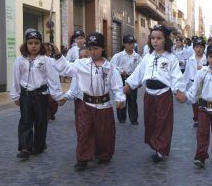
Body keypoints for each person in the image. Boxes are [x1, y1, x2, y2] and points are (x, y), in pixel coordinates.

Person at [52, 32, 126, 171]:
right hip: (86, 104)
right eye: (90, 49)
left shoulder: (110, 68)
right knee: (84, 131)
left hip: (104, 105)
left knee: (104, 132)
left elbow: (117, 86)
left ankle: (104, 154)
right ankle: (83, 158)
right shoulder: (81, 64)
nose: (92, 52)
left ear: (102, 48)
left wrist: (120, 99)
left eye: (96, 48)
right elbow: (66, 68)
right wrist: (57, 55)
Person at [124, 24, 186, 163]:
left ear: (165, 40)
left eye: (159, 38)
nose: (155, 41)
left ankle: (160, 149)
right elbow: (138, 72)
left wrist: (179, 91)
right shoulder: (147, 57)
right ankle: (155, 144)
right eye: (153, 38)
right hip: (149, 94)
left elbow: (177, 76)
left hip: (163, 94)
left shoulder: (171, 58)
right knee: (150, 121)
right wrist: (129, 84)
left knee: (163, 122)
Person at [10, 29, 64, 159]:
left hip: (41, 95)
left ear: (41, 45)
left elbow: (52, 79)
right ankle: (25, 148)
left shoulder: (46, 61)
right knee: (25, 121)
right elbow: (16, 78)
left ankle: (39, 146)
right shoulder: (19, 60)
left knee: (40, 121)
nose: (33, 46)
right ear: (25, 44)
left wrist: (57, 95)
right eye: (30, 43)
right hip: (25, 96)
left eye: (36, 43)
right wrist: (16, 95)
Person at [111, 35, 142, 125]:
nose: (131, 45)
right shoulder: (118, 56)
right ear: (124, 44)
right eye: (129, 43)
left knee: (132, 100)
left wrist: (139, 81)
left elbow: (141, 69)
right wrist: (120, 71)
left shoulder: (137, 57)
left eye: (133, 43)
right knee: (121, 98)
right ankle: (121, 118)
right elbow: (112, 67)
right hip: (120, 79)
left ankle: (134, 119)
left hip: (132, 79)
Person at [182, 37, 207, 127]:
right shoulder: (190, 59)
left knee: (203, 102)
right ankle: (196, 119)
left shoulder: (207, 59)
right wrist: (182, 86)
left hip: (204, 84)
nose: (199, 49)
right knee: (194, 102)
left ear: (204, 48)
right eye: (196, 47)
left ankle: (203, 119)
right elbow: (186, 73)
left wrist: (204, 68)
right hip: (193, 84)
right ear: (193, 48)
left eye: (201, 47)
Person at [43, 42, 59, 121]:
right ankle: (47, 115)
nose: (47, 51)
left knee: (53, 103)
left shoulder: (53, 61)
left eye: (49, 50)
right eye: (46, 50)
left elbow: (56, 74)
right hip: (44, 87)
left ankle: (51, 113)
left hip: (53, 85)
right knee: (46, 102)